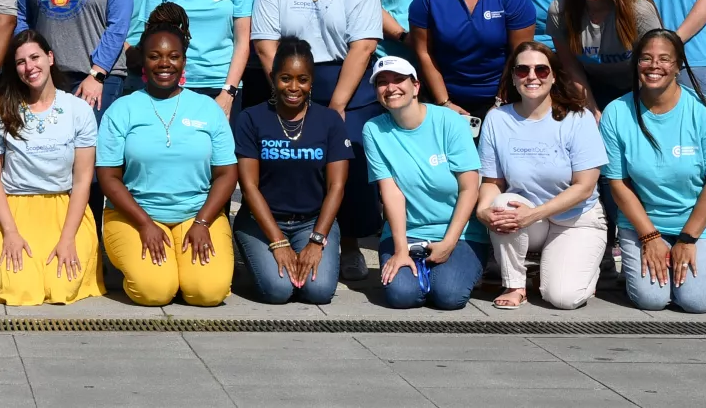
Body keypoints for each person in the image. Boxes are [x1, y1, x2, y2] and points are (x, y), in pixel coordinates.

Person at [250, 0, 384, 280]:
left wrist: (337, 105)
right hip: (291, 81)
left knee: (351, 163)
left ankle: (351, 243)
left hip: (348, 83)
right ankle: (287, 237)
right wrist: (286, 92)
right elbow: (265, 45)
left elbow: (363, 46)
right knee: (295, 162)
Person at [96, 7, 238, 307]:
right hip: (135, 216)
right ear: (143, 62)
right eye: (155, 56)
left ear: (183, 60)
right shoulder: (122, 109)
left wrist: (202, 223)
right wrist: (145, 223)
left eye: (173, 56)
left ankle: (180, 267)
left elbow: (227, 174)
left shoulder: (207, 109)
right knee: (154, 292)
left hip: (197, 216)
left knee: (207, 293)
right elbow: (108, 178)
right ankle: (154, 268)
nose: (164, 63)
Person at [602, 29, 706, 313]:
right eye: (646, 58)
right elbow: (618, 183)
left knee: (695, 301)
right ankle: (655, 264)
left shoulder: (704, 110)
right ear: (636, 64)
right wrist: (650, 237)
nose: (655, 66)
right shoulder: (616, 113)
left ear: (678, 65)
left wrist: (688, 239)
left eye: (665, 59)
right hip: (645, 222)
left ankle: (701, 266)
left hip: (699, 223)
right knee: (651, 300)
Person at [0, 31, 103, 305]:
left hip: (64, 210)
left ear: (50, 58)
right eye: (20, 62)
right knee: (20, 290)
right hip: (13, 210)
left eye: (35, 57)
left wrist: (68, 239)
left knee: (61, 288)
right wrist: (10, 232)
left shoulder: (78, 110)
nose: (29, 67)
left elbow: (81, 181)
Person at [477, 42, 606, 310]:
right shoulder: (497, 119)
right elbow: (492, 182)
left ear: (554, 75)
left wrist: (534, 214)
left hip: (575, 218)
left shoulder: (578, 118)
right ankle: (514, 284)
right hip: (528, 217)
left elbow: (584, 187)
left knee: (563, 298)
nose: (532, 76)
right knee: (500, 205)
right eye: (522, 70)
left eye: (541, 70)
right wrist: (481, 210)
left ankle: (581, 271)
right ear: (513, 77)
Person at [361, 56, 487, 311]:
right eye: (382, 83)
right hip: (408, 233)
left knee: (449, 296)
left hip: (459, 233)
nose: (391, 87)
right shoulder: (373, 130)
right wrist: (400, 250)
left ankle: (457, 269)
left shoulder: (449, 122)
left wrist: (449, 243)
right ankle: (422, 274)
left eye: (399, 80)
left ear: (416, 86)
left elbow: (469, 188)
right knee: (402, 296)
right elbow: (392, 194)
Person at [232, 36, 350, 305]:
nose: (293, 87)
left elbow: (337, 187)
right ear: (273, 77)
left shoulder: (329, 120)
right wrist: (278, 242)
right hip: (263, 222)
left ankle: (301, 256)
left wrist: (316, 241)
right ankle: (261, 260)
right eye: (286, 78)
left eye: (302, 79)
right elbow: (248, 187)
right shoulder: (252, 118)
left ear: (312, 80)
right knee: (278, 290)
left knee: (317, 292)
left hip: (312, 222)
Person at [549, 0, 663, 108]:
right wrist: (592, 110)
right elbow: (570, 67)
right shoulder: (560, 10)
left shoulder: (639, 11)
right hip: (593, 87)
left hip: (639, 86)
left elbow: (654, 65)